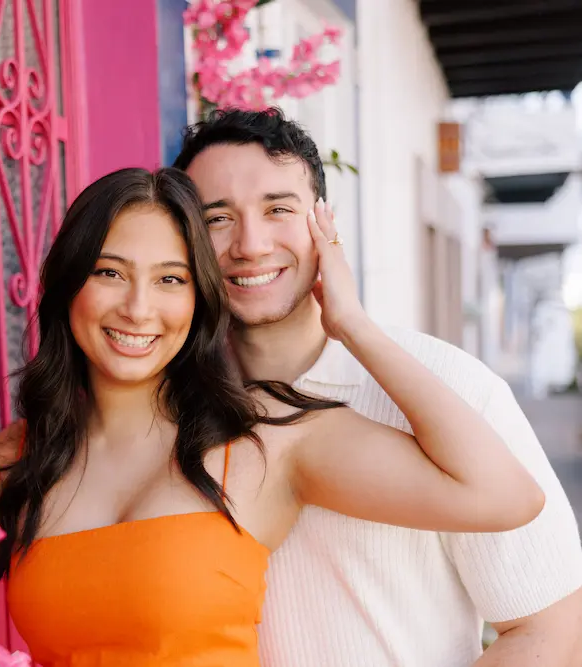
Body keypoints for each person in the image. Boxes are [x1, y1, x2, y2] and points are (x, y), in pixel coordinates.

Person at [0, 167, 542, 667]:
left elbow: (503, 495)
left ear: (200, 300)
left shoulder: (264, 444)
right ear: (68, 284)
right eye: (110, 272)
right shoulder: (16, 474)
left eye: (172, 279)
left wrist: (352, 325)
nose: (139, 308)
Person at [172, 108, 582, 667]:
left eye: (278, 209)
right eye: (217, 219)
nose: (250, 243)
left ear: (325, 222)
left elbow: (551, 627)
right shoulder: (169, 406)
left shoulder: (452, 388)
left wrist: (355, 328)